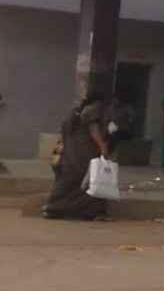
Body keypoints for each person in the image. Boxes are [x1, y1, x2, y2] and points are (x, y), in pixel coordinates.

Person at [43, 91, 115, 220]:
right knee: (91, 181)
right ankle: (93, 212)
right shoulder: (93, 110)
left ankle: (54, 208)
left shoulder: (75, 112)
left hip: (70, 154)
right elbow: (94, 131)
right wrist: (103, 148)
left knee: (69, 182)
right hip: (84, 153)